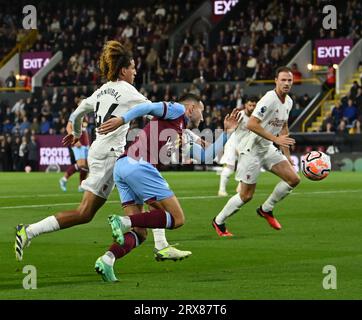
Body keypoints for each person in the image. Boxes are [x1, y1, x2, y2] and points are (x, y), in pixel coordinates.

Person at [14, 40, 190, 263]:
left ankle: (126, 254)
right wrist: (183, 134)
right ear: (124, 69)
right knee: (90, 212)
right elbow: (153, 111)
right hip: (112, 156)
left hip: (100, 151)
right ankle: (29, 231)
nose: (136, 72)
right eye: (133, 67)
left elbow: (76, 114)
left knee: (140, 217)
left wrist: (77, 132)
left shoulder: (100, 91)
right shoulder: (128, 91)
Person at [94, 94, 239, 281]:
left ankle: (107, 260)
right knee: (177, 218)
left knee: (141, 231)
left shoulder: (183, 133)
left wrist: (227, 133)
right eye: (201, 112)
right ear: (192, 108)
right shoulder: (176, 110)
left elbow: (206, 156)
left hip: (123, 168)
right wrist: (122, 119)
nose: (203, 118)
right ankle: (123, 222)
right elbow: (146, 108)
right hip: (139, 165)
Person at [212, 66, 300, 237]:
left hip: (267, 148)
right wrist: (275, 139)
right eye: (283, 80)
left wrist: (287, 157)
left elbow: (283, 128)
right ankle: (218, 221)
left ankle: (266, 209)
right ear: (276, 81)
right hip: (251, 150)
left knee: (293, 179)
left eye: (289, 80)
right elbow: (252, 124)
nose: (287, 83)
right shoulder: (269, 99)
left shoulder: (288, 101)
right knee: (246, 196)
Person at [217, 97, 258, 197]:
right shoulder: (240, 115)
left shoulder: (257, 117)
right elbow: (230, 129)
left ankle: (240, 188)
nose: (252, 107)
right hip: (233, 142)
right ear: (245, 105)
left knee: (247, 166)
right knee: (229, 167)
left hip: (245, 144)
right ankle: (221, 190)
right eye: (250, 105)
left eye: (254, 105)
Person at [59, 121, 90, 192]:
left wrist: (87, 143)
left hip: (85, 143)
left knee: (86, 165)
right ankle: (64, 179)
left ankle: (81, 186)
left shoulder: (85, 115)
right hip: (78, 142)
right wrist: (74, 139)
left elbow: (84, 130)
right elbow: (68, 127)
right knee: (81, 164)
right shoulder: (75, 114)